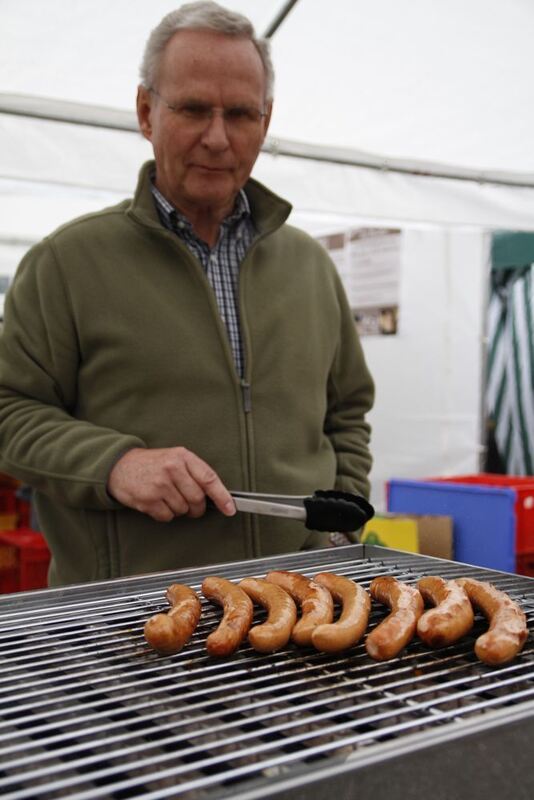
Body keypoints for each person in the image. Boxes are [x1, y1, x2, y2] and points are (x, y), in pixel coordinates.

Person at [0, 1, 374, 586]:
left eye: (242, 114)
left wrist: (338, 522)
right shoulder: (66, 263)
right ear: (147, 111)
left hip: (296, 610)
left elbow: (347, 412)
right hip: (130, 623)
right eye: (194, 109)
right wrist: (115, 464)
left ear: (266, 120)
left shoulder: (310, 265)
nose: (219, 138)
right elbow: (10, 411)